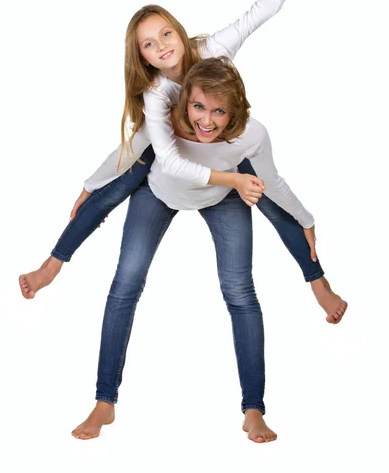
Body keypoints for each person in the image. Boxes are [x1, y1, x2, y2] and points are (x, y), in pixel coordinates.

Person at [19, 0, 344, 323]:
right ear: (144, 58)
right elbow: (137, 148)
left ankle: (317, 280)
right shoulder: (157, 96)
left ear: (177, 28)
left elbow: (261, 10)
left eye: (165, 34)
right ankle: (53, 264)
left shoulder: (212, 50)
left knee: (269, 192)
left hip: (221, 145)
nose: (162, 47)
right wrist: (89, 185)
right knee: (118, 182)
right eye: (149, 46)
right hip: (174, 155)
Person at [71, 57, 345, 442]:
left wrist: (308, 218)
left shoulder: (251, 135)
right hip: (160, 191)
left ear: (235, 112)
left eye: (220, 111)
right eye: (199, 107)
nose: (207, 120)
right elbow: (126, 154)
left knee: (239, 291)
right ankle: (104, 402)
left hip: (222, 195)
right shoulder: (164, 120)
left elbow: (274, 183)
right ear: (186, 102)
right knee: (126, 283)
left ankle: (253, 410)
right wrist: (89, 188)